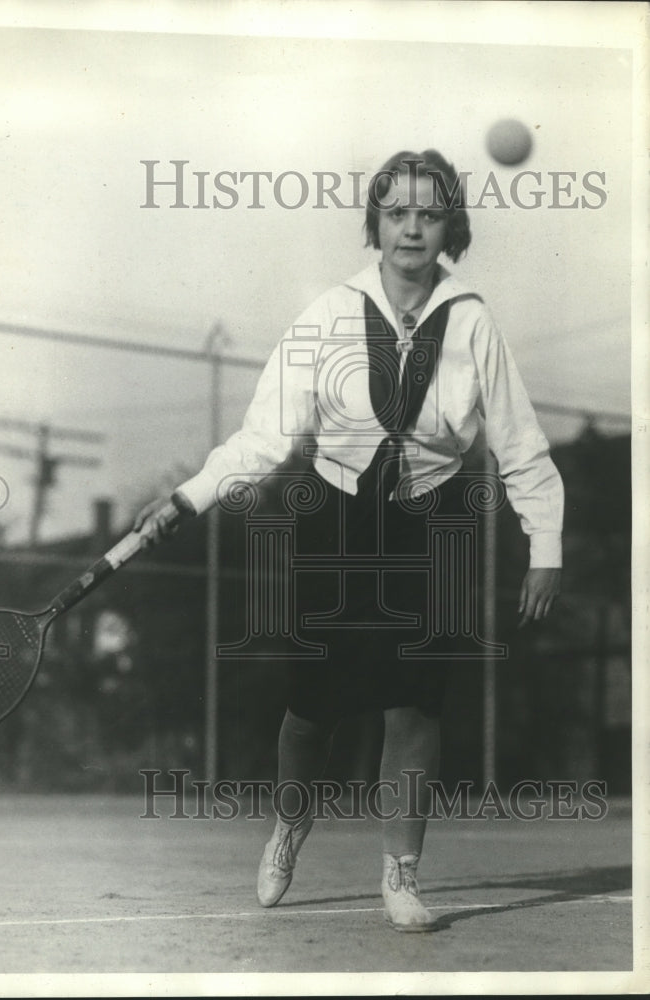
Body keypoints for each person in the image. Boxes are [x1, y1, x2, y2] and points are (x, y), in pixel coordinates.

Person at [134, 149, 563, 932]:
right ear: (375, 223)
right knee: (311, 712)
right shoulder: (328, 315)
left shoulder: (471, 322)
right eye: (395, 211)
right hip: (334, 518)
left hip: (433, 523)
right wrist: (187, 498)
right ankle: (290, 824)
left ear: (449, 226)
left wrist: (545, 547)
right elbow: (264, 436)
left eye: (426, 213)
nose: (410, 227)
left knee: (415, 708)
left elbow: (519, 442)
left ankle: (399, 874)